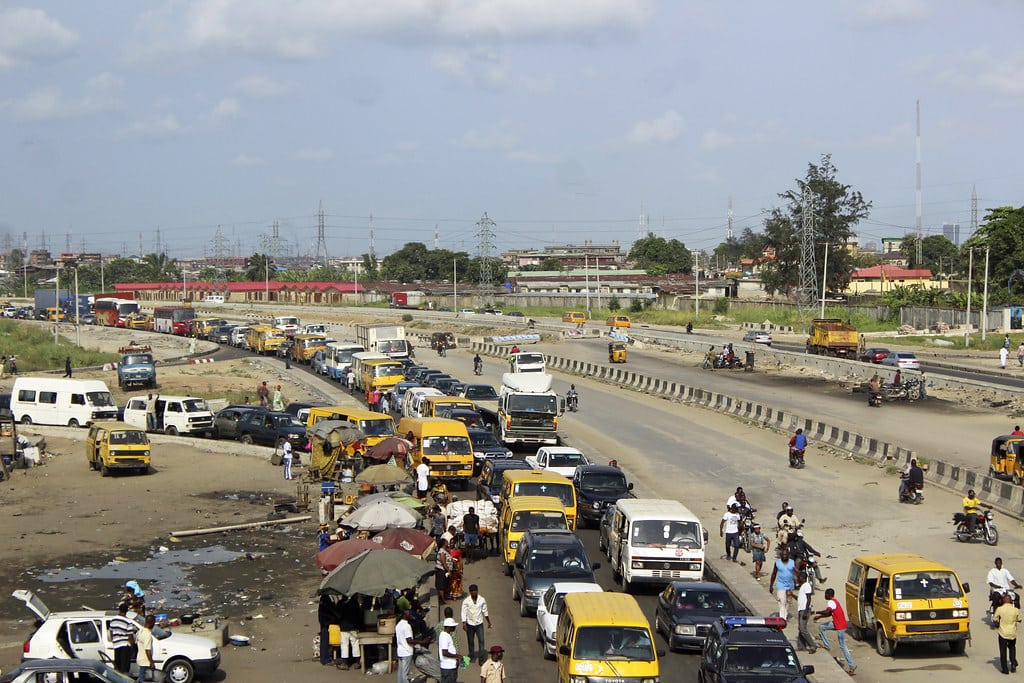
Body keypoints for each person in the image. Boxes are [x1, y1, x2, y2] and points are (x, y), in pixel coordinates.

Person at [815, 588, 856, 675]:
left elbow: (827, 611)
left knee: (843, 646)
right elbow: (829, 613)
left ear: (829, 595)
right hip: (837, 623)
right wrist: (820, 617)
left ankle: (852, 665)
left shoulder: (831, 602)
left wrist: (816, 612)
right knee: (822, 627)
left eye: (825, 594)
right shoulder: (834, 602)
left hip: (840, 626)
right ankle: (827, 646)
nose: (824, 596)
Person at [396, 609, 430, 683]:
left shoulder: (398, 625)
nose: (411, 615)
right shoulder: (407, 626)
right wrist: (422, 642)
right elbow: (409, 640)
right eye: (409, 614)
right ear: (405, 615)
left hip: (400, 651)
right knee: (405, 674)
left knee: (400, 673)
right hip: (406, 652)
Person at [461, 584, 491, 665]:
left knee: (481, 641)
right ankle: (471, 657)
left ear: (477, 591)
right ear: (470, 592)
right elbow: (463, 612)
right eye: (472, 591)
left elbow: (485, 611)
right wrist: (464, 623)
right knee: (470, 641)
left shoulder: (482, 600)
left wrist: (488, 622)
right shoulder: (466, 601)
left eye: (475, 590)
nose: (474, 592)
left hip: (479, 624)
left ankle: (481, 660)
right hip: (469, 625)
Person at [995, 592, 1021, 674]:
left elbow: (995, 619)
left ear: (1003, 601)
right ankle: (1013, 664)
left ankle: (1005, 669)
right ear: (1011, 601)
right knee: (1012, 648)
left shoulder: (999, 609)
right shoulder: (1015, 610)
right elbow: (1019, 619)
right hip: (1012, 633)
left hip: (1003, 632)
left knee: (1003, 651)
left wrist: (997, 623)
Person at [335, 595, 362, 670]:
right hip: (354, 626)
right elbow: (359, 614)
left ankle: (345, 663)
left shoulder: (340, 603)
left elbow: (337, 614)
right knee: (355, 644)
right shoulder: (354, 602)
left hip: (344, 627)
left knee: (344, 645)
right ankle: (357, 662)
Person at [769, 547, 796, 621]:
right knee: (781, 602)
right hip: (780, 585)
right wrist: (771, 585)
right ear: (781, 555)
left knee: (788, 602)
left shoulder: (792, 562)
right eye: (783, 555)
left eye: (786, 555)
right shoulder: (777, 563)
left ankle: (785, 615)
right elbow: (774, 574)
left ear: (788, 555)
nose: (784, 556)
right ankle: (782, 619)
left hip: (790, 586)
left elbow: (796, 572)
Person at [110, 604, 137, 674]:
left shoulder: (113, 619)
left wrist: (114, 640)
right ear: (126, 611)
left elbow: (111, 631)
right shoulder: (128, 621)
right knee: (124, 668)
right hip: (125, 646)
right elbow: (130, 636)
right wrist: (133, 646)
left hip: (116, 645)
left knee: (118, 667)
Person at [795, 571, 816, 654]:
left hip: (805, 610)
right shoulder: (802, 587)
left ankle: (812, 645)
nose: (798, 578)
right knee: (800, 628)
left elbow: (809, 598)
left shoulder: (806, 585)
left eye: (799, 577)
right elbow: (800, 599)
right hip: (801, 609)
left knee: (803, 629)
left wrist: (806, 611)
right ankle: (801, 646)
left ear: (803, 578)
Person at [318, 594, 339, 666]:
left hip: (326, 621)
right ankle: (325, 659)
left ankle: (325, 658)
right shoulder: (325, 598)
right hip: (325, 622)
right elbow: (325, 610)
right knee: (325, 641)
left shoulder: (326, 598)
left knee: (326, 640)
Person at [134, 615, 155, 683]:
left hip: (140, 658)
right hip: (145, 660)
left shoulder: (140, 631)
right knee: (141, 679)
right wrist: (151, 662)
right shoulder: (147, 634)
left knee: (141, 677)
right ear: (151, 622)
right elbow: (147, 650)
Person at [438, 618, 460, 683]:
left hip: (449, 667)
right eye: (453, 626)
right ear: (448, 627)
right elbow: (444, 652)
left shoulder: (445, 635)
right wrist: (457, 656)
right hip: (449, 668)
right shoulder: (445, 636)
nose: (455, 627)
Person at [436, 538, 454, 606]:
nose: (448, 543)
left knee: (444, 584)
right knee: (441, 585)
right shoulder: (442, 551)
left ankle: (444, 597)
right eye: (446, 542)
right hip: (441, 571)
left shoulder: (445, 550)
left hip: (444, 571)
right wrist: (448, 570)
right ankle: (442, 600)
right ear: (444, 543)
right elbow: (443, 563)